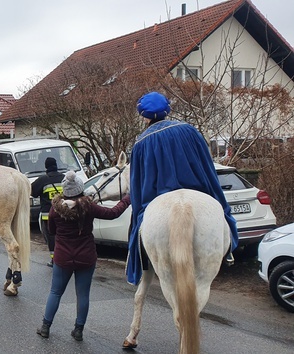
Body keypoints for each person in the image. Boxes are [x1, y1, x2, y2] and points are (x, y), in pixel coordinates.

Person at [127, 91, 239, 286]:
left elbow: (138, 184)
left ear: (143, 115)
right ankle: (228, 252)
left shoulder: (141, 143)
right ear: (167, 110)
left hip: (157, 195)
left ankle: (141, 263)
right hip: (198, 188)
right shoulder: (188, 130)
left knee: (139, 226)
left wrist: (139, 212)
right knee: (222, 212)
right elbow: (206, 165)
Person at [37, 171, 131, 341]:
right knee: (83, 294)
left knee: (56, 292)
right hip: (86, 256)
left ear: (64, 191)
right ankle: (78, 330)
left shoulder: (55, 210)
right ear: (80, 189)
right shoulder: (88, 206)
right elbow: (113, 213)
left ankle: (45, 326)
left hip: (63, 257)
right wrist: (127, 198)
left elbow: (51, 231)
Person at [31, 157, 65, 267]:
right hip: (64, 214)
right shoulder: (64, 178)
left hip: (47, 216)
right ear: (56, 165)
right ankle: (65, 256)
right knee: (64, 236)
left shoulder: (42, 180)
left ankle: (54, 260)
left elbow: (33, 192)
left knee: (51, 238)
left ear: (46, 167)